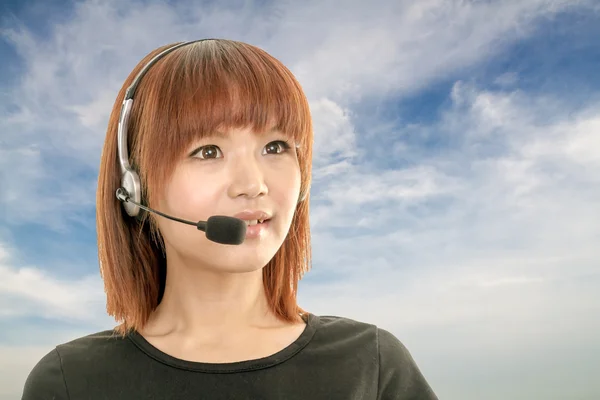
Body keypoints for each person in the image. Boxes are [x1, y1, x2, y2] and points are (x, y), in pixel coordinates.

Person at [21, 39, 438, 399]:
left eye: (276, 147)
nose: (252, 184)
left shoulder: (371, 364)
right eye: (208, 151)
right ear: (135, 188)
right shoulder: (70, 382)